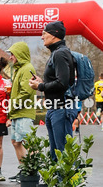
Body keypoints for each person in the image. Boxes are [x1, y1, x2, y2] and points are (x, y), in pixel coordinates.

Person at [29, 21, 75, 160]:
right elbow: (59, 81)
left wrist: (40, 87)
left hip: (61, 109)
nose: (42, 37)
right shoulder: (56, 53)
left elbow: (63, 82)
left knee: (63, 155)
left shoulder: (60, 54)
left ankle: (66, 181)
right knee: (55, 155)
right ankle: (58, 181)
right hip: (54, 109)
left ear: (54, 35)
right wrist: (43, 82)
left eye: (44, 33)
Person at [5, 41, 38, 180]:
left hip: (24, 112)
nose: (11, 57)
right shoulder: (20, 69)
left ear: (20, 54)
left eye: (13, 54)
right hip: (17, 112)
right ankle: (24, 171)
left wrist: (11, 107)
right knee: (16, 142)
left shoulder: (27, 68)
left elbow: (26, 92)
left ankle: (32, 172)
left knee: (27, 142)